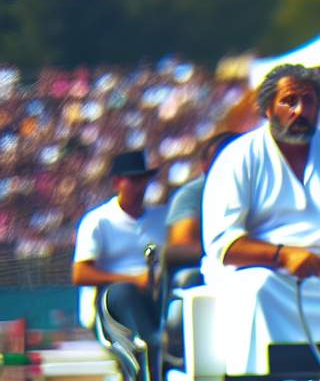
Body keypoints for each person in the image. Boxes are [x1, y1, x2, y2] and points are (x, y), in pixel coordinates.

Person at [201, 63, 320, 374]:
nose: (300, 110)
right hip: (263, 272)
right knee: (256, 293)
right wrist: (284, 256)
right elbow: (223, 244)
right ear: (268, 108)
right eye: (289, 101)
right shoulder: (238, 158)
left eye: (308, 102)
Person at [72, 149, 167, 344]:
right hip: (112, 301)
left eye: (142, 179)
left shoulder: (162, 217)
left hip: (156, 295)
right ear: (117, 183)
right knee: (125, 292)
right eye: (133, 180)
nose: (140, 187)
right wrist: (133, 280)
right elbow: (80, 274)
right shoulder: (98, 221)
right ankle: (150, 344)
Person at [163, 131, 240, 278]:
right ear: (205, 166)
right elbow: (182, 245)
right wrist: (231, 250)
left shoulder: (258, 187)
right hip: (208, 268)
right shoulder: (192, 194)